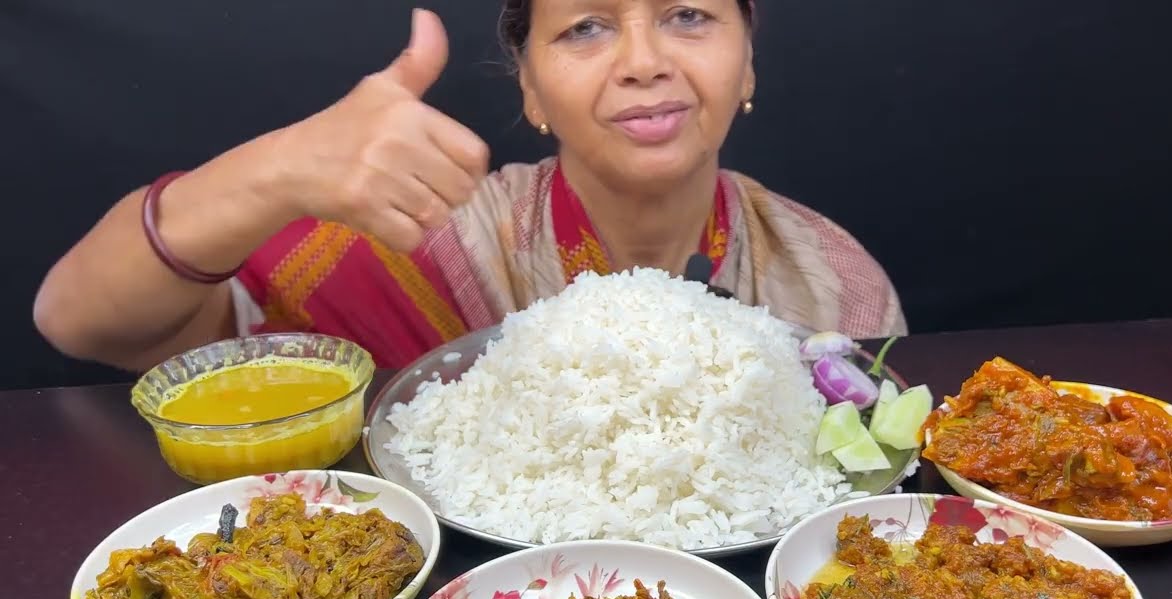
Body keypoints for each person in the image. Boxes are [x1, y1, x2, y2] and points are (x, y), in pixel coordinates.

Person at [34, 1, 906, 371]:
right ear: (528, 86)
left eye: (688, 15)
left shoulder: (833, 279)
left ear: (746, 57)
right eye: (587, 28)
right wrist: (276, 171)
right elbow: (80, 323)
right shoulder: (426, 235)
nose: (645, 62)